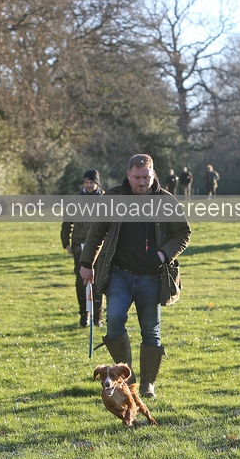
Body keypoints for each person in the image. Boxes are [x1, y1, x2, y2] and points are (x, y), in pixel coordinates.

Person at [80, 154, 191, 398]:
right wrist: (86, 263)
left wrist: (163, 255)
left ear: (153, 174)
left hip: (152, 276)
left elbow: (183, 233)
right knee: (114, 320)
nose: (142, 182)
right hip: (119, 274)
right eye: (137, 177)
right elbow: (97, 231)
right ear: (128, 175)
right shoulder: (113, 197)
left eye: (146, 177)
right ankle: (126, 378)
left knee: (150, 330)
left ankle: (147, 384)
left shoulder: (166, 200)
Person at [60, 169, 105, 327]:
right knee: (81, 281)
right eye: (86, 182)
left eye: (91, 182)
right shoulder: (75, 198)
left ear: (97, 183)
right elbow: (67, 222)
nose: (88, 185)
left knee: (98, 281)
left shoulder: (105, 199)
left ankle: (97, 316)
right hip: (80, 246)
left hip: (100, 247)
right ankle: (84, 314)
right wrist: (66, 242)